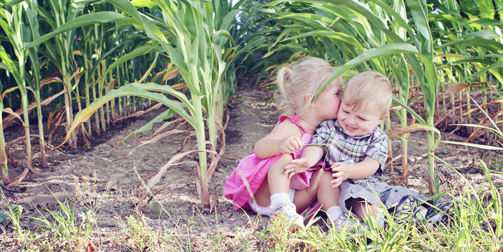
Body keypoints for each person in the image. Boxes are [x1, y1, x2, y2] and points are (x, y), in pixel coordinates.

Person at [285, 71, 437, 230]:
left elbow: (372, 164)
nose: (350, 121)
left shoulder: (377, 139)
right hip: (335, 186)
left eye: (361, 118)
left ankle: (418, 212)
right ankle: (381, 221)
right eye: (346, 111)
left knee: (390, 194)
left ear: (381, 118)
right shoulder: (330, 127)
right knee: (355, 201)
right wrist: (308, 160)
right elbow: (317, 146)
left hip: (366, 183)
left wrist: (350, 170)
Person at [224, 57, 343, 228]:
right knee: (284, 158)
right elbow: (259, 148)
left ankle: (336, 216)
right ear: (312, 100)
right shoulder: (292, 127)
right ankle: (281, 210)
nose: (342, 97)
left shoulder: (326, 129)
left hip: (295, 197)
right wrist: (279, 145)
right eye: (337, 93)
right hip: (267, 195)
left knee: (324, 176)